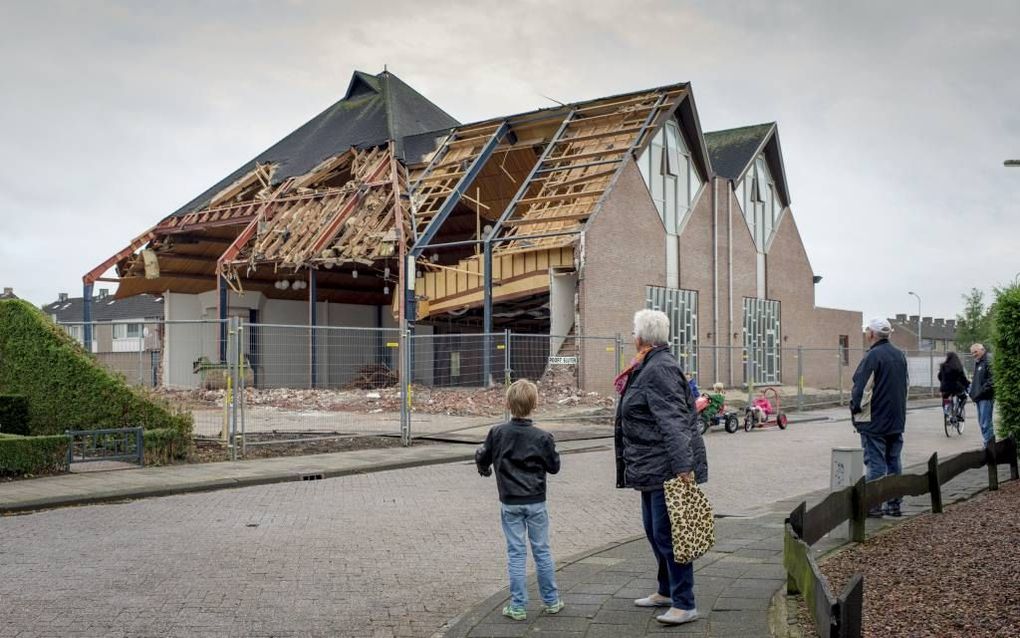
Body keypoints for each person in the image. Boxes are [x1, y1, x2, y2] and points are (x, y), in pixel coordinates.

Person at [614, 309, 708, 626]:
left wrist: (684, 467)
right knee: (654, 533)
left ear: (642, 337)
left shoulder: (660, 369)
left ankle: (685, 602)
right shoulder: (648, 365)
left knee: (669, 535)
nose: (631, 336)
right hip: (648, 466)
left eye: (633, 331)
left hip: (664, 466)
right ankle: (666, 591)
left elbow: (674, 421)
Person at [475, 379, 564, 621]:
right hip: (535, 500)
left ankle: (518, 606)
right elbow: (554, 467)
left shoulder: (498, 432)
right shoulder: (543, 436)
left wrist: (484, 467)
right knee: (542, 551)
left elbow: (483, 455)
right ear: (535, 404)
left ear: (507, 403)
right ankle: (551, 600)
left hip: (510, 501)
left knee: (516, 553)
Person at [850, 318, 908, 518]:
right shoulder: (900, 355)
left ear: (871, 334)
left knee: (875, 463)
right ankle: (894, 504)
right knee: (894, 461)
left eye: (867, 331)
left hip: (874, 421)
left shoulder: (872, 357)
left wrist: (855, 410)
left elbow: (861, 388)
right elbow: (905, 387)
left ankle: (873, 505)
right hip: (896, 420)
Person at [968, 343, 995, 446]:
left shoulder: (988, 360)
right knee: (982, 423)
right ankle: (989, 447)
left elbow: (992, 381)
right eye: (972, 353)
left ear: (982, 350)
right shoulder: (978, 362)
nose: (974, 354)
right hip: (979, 398)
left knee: (986, 424)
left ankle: (989, 450)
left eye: (975, 352)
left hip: (986, 398)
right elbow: (976, 381)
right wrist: (972, 393)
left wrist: (980, 392)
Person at [937, 352, 969, 419]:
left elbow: (939, 376)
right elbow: (963, 378)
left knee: (946, 399)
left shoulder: (943, 366)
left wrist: (943, 382)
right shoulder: (958, 367)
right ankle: (959, 411)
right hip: (956, 388)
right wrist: (967, 384)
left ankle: (947, 413)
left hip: (945, 388)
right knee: (964, 398)